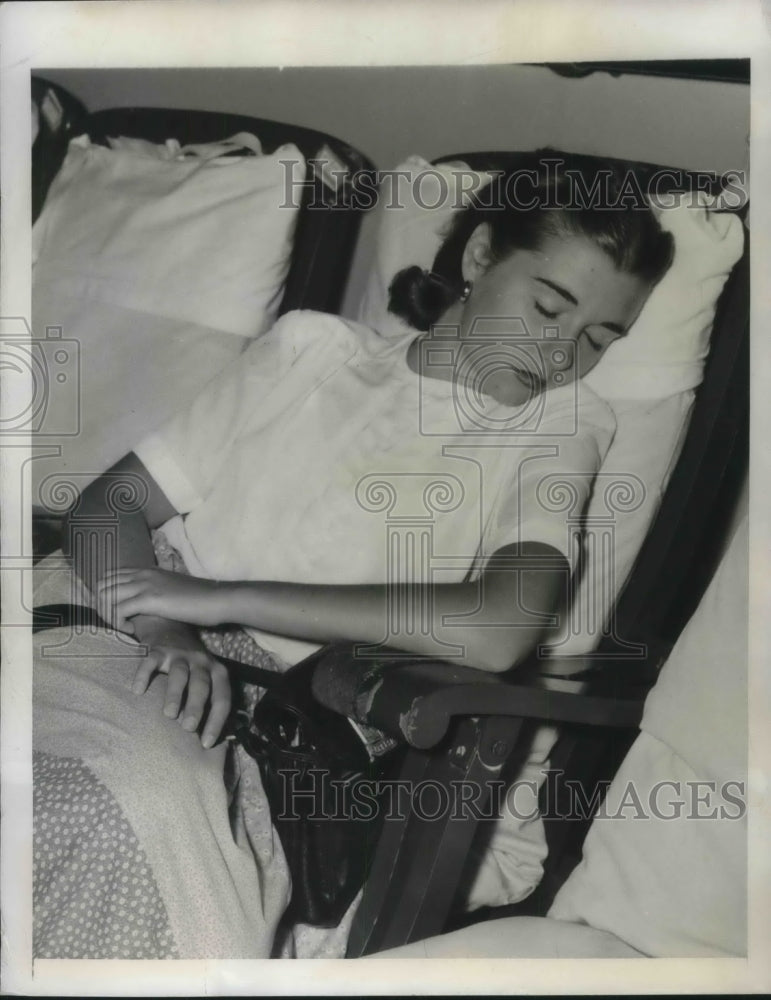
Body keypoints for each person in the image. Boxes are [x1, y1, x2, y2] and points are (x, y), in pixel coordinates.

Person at [32, 160, 674, 959]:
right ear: (478, 258)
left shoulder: (558, 427)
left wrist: (222, 598)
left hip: (270, 714)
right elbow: (106, 507)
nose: (559, 352)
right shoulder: (315, 351)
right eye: (548, 307)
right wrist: (169, 624)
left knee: (114, 811)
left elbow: (499, 627)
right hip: (108, 630)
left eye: (598, 339)